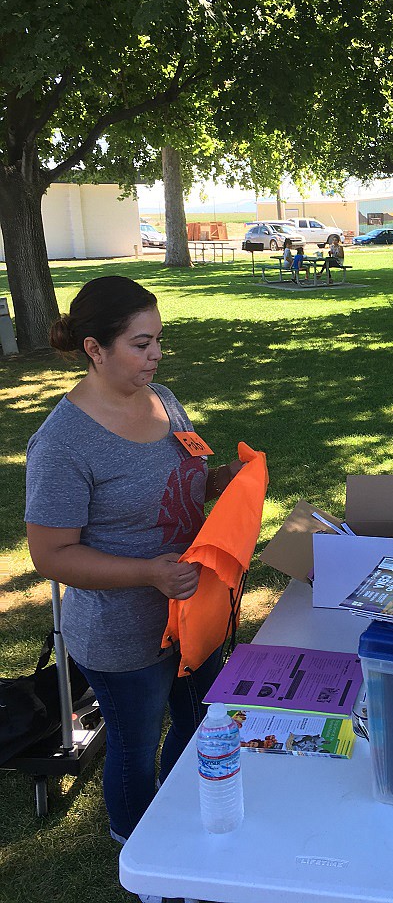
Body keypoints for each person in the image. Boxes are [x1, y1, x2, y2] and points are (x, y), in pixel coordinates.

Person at [24, 276, 243, 863]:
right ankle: (137, 847)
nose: (156, 356)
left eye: (159, 342)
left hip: (191, 609)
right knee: (135, 741)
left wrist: (217, 482)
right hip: (124, 635)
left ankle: (175, 818)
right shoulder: (63, 443)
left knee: (198, 720)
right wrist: (149, 572)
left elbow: (182, 474)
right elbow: (51, 556)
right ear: (95, 349)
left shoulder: (164, 399)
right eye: (141, 345)